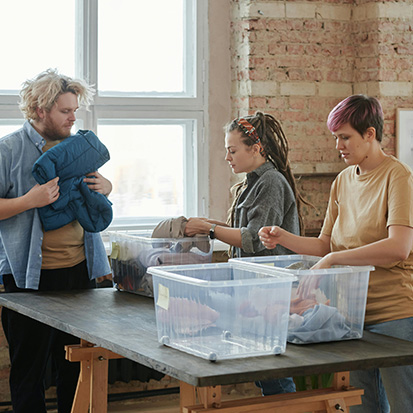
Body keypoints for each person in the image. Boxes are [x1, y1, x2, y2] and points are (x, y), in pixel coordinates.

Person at [258, 94, 413, 412]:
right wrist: (284, 236)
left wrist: (333, 259)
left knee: (403, 405)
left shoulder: (399, 177)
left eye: (345, 137)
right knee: (361, 405)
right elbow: (327, 245)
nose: (338, 145)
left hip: (395, 317)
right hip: (351, 317)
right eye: (336, 138)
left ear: (370, 134)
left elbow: (399, 246)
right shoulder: (342, 181)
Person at [0, 69, 112, 413]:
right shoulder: (8, 150)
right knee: (28, 371)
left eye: (75, 110)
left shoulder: (80, 148)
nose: (73, 118)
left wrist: (107, 187)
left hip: (79, 273)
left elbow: (93, 198)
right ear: (40, 111)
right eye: (65, 111)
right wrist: (28, 201)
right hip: (26, 279)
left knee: (77, 366)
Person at [184, 111, 308, 396]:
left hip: (272, 288)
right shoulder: (251, 182)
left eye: (232, 150)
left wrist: (211, 231)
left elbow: (253, 239)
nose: (228, 157)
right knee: (264, 367)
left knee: (273, 370)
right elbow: (244, 230)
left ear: (256, 149)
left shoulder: (271, 183)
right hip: (256, 287)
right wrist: (208, 224)